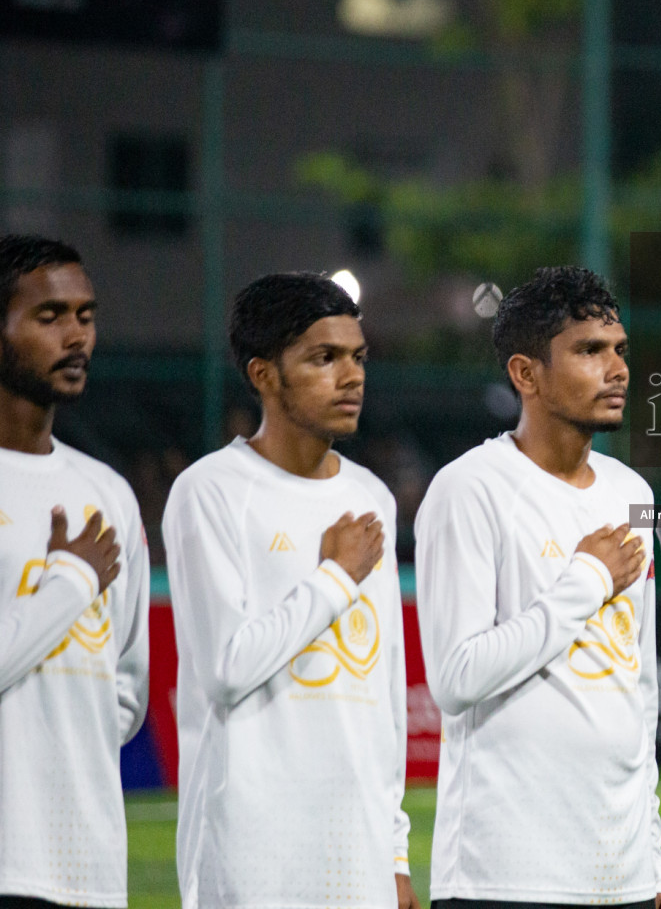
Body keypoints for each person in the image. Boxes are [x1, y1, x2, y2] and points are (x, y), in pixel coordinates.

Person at [414, 267, 661, 909]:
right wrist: (586, 580)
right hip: (505, 876)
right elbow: (456, 676)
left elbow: (637, 694)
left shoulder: (631, 494)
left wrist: (655, 867)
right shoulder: (470, 488)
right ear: (526, 374)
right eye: (590, 351)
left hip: (623, 877)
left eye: (621, 351)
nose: (616, 369)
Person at [163, 273, 414, 909]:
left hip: (358, 864)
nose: (352, 376)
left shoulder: (370, 498)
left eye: (357, 358)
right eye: (323, 359)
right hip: (252, 863)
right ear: (264, 375)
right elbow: (226, 668)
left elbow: (385, 697)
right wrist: (333, 577)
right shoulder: (210, 491)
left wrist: (395, 853)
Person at [0, 235, 150, 909]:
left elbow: (125, 691)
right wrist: (68, 584)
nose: (76, 335)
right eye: (49, 316)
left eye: (85, 316)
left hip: (90, 868)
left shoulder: (108, 493)